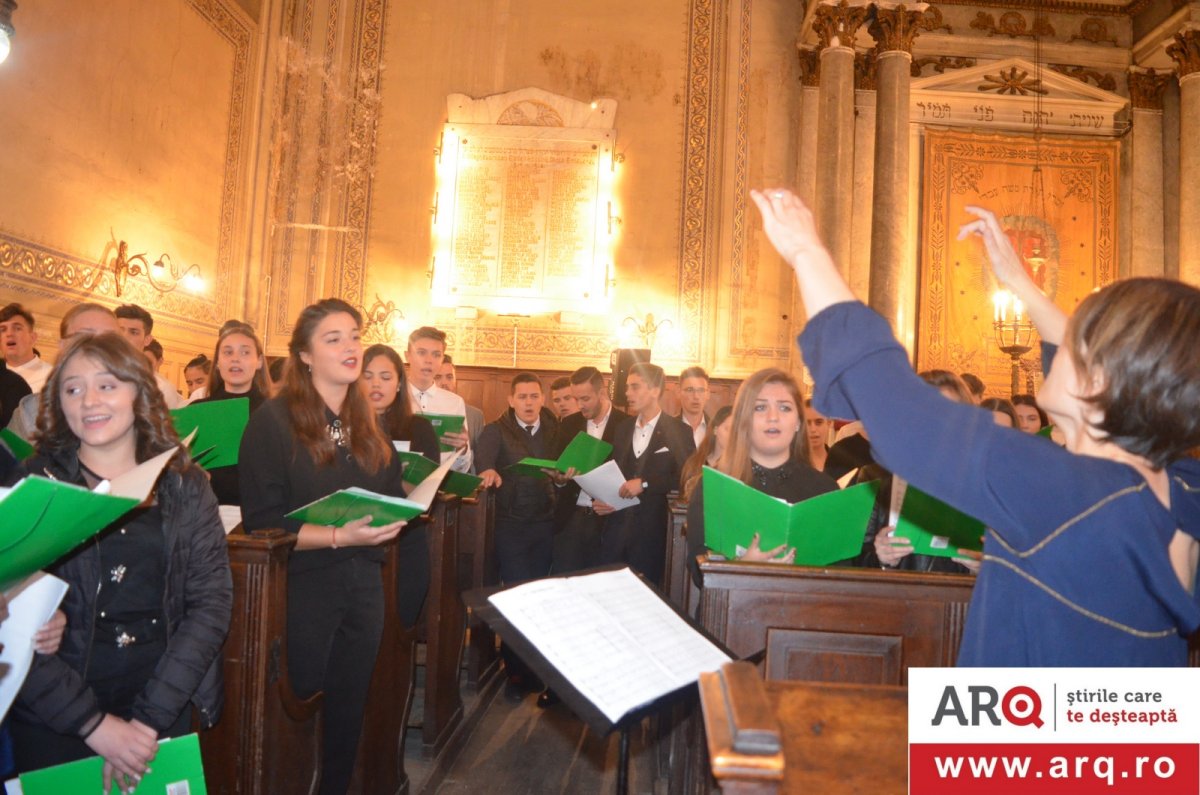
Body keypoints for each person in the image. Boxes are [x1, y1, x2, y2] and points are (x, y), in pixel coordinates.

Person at [752, 187, 1200, 666]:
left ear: (1099, 382)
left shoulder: (1065, 490)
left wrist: (806, 251)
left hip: (1022, 739)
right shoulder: (1177, 487)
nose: (1056, 347)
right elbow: (1121, 388)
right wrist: (1020, 284)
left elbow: (897, 409)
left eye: (1077, 341)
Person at [10, 332, 231, 793]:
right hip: (57, 715)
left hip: (160, 706)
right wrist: (94, 725)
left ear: (139, 392)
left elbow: (210, 605)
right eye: (73, 388)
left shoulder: (185, 484)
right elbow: (11, 616)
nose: (89, 400)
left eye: (107, 385)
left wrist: (147, 725)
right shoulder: (35, 482)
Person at [239, 299, 407, 795]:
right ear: (305, 356)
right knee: (301, 711)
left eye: (354, 335)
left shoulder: (365, 421)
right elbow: (263, 524)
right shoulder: (274, 421)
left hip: (364, 584)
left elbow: (391, 494)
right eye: (333, 339)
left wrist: (399, 513)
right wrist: (338, 535)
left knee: (349, 709)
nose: (350, 347)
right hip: (303, 587)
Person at [685, 369, 838, 580]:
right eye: (760, 407)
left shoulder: (825, 491)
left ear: (798, 423)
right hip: (732, 609)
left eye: (784, 408)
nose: (773, 417)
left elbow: (841, 574)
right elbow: (698, 571)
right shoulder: (714, 487)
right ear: (744, 421)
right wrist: (742, 567)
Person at [475, 373, 561, 702]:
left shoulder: (554, 431)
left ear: (542, 400)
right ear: (511, 400)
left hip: (545, 524)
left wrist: (562, 479)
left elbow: (563, 473)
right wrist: (488, 471)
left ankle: (535, 667)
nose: (528, 402)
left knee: (539, 599)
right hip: (510, 526)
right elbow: (483, 463)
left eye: (533, 396)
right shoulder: (496, 431)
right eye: (522, 397)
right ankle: (514, 669)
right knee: (516, 597)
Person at [362, 343, 439, 627]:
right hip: (355, 536)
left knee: (398, 627)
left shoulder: (418, 428)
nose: (375, 384)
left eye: (385, 376)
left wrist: (396, 479)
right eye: (366, 376)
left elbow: (427, 492)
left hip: (406, 537)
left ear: (398, 384)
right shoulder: (341, 427)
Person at [598, 363, 695, 586]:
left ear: (655, 390)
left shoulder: (679, 431)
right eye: (627, 388)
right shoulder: (622, 428)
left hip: (652, 536)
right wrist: (604, 499)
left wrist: (646, 483)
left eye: (635, 387)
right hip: (615, 533)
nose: (627, 393)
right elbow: (613, 472)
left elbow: (686, 478)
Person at [550, 366, 631, 575]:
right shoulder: (569, 424)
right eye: (575, 399)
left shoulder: (626, 424)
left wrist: (615, 502)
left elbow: (631, 474)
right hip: (572, 519)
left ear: (601, 392)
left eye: (585, 399)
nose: (579, 405)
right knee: (566, 584)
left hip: (609, 521)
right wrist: (559, 479)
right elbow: (557, 466)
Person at [6, 303, 120, 441]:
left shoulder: (140, 407)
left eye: (111, 339)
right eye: (84, 337)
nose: (99, 347)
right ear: (63, 346)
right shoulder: (30, 413)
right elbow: (10, 459)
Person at [190, 321, 273, 505]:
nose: (235, 359)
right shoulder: (197, 410)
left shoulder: (275, 412)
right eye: (228, 352)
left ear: (259, 361)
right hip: (207, 509)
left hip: (260, 510)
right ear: (218, 362)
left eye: (245, 352)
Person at [406, 327, 472, 472]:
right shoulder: (393, 396)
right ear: (407, 356)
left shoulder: (454, 403)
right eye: (421, 353)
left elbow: (461, 467)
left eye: (436, 355)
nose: (429, 360)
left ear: (442, 359)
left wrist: (462, 448)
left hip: (439, 488)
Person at [114, 304, 184, 409]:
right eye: (120, 330)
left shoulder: (161, 389)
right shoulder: (93, 374)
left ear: (147, 339)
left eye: (133, 332)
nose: (124, 337)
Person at [434, 354, 485, 465]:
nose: (444, 383)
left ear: (456, 380)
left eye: (449, 377)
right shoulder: (421, 408)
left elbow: (480, 456)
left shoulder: (475, 416)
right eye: (437, 377)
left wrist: (463, 448)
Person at [680, 404, 732, 502]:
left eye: (737, 432)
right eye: (728, 429)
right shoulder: (695, 461)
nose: (732, 436)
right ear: (716, 429)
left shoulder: (739, 467)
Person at [0, 303, 53, 394]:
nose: (9, 334)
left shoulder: (52, 377)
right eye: (3, 330)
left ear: (32, 338)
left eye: (17, 328)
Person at [677, 366, 711, 448]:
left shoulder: (715, 429)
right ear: (679, 392)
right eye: (689, 390)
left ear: (708, 394)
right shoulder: (667, 429)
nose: (696, 396)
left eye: (701, 390)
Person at [803, 399, 831, 472]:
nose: (813, 429)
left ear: (829, 423)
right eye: (807, 423)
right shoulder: (790, 464)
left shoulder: (840, 461)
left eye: (819, 422)